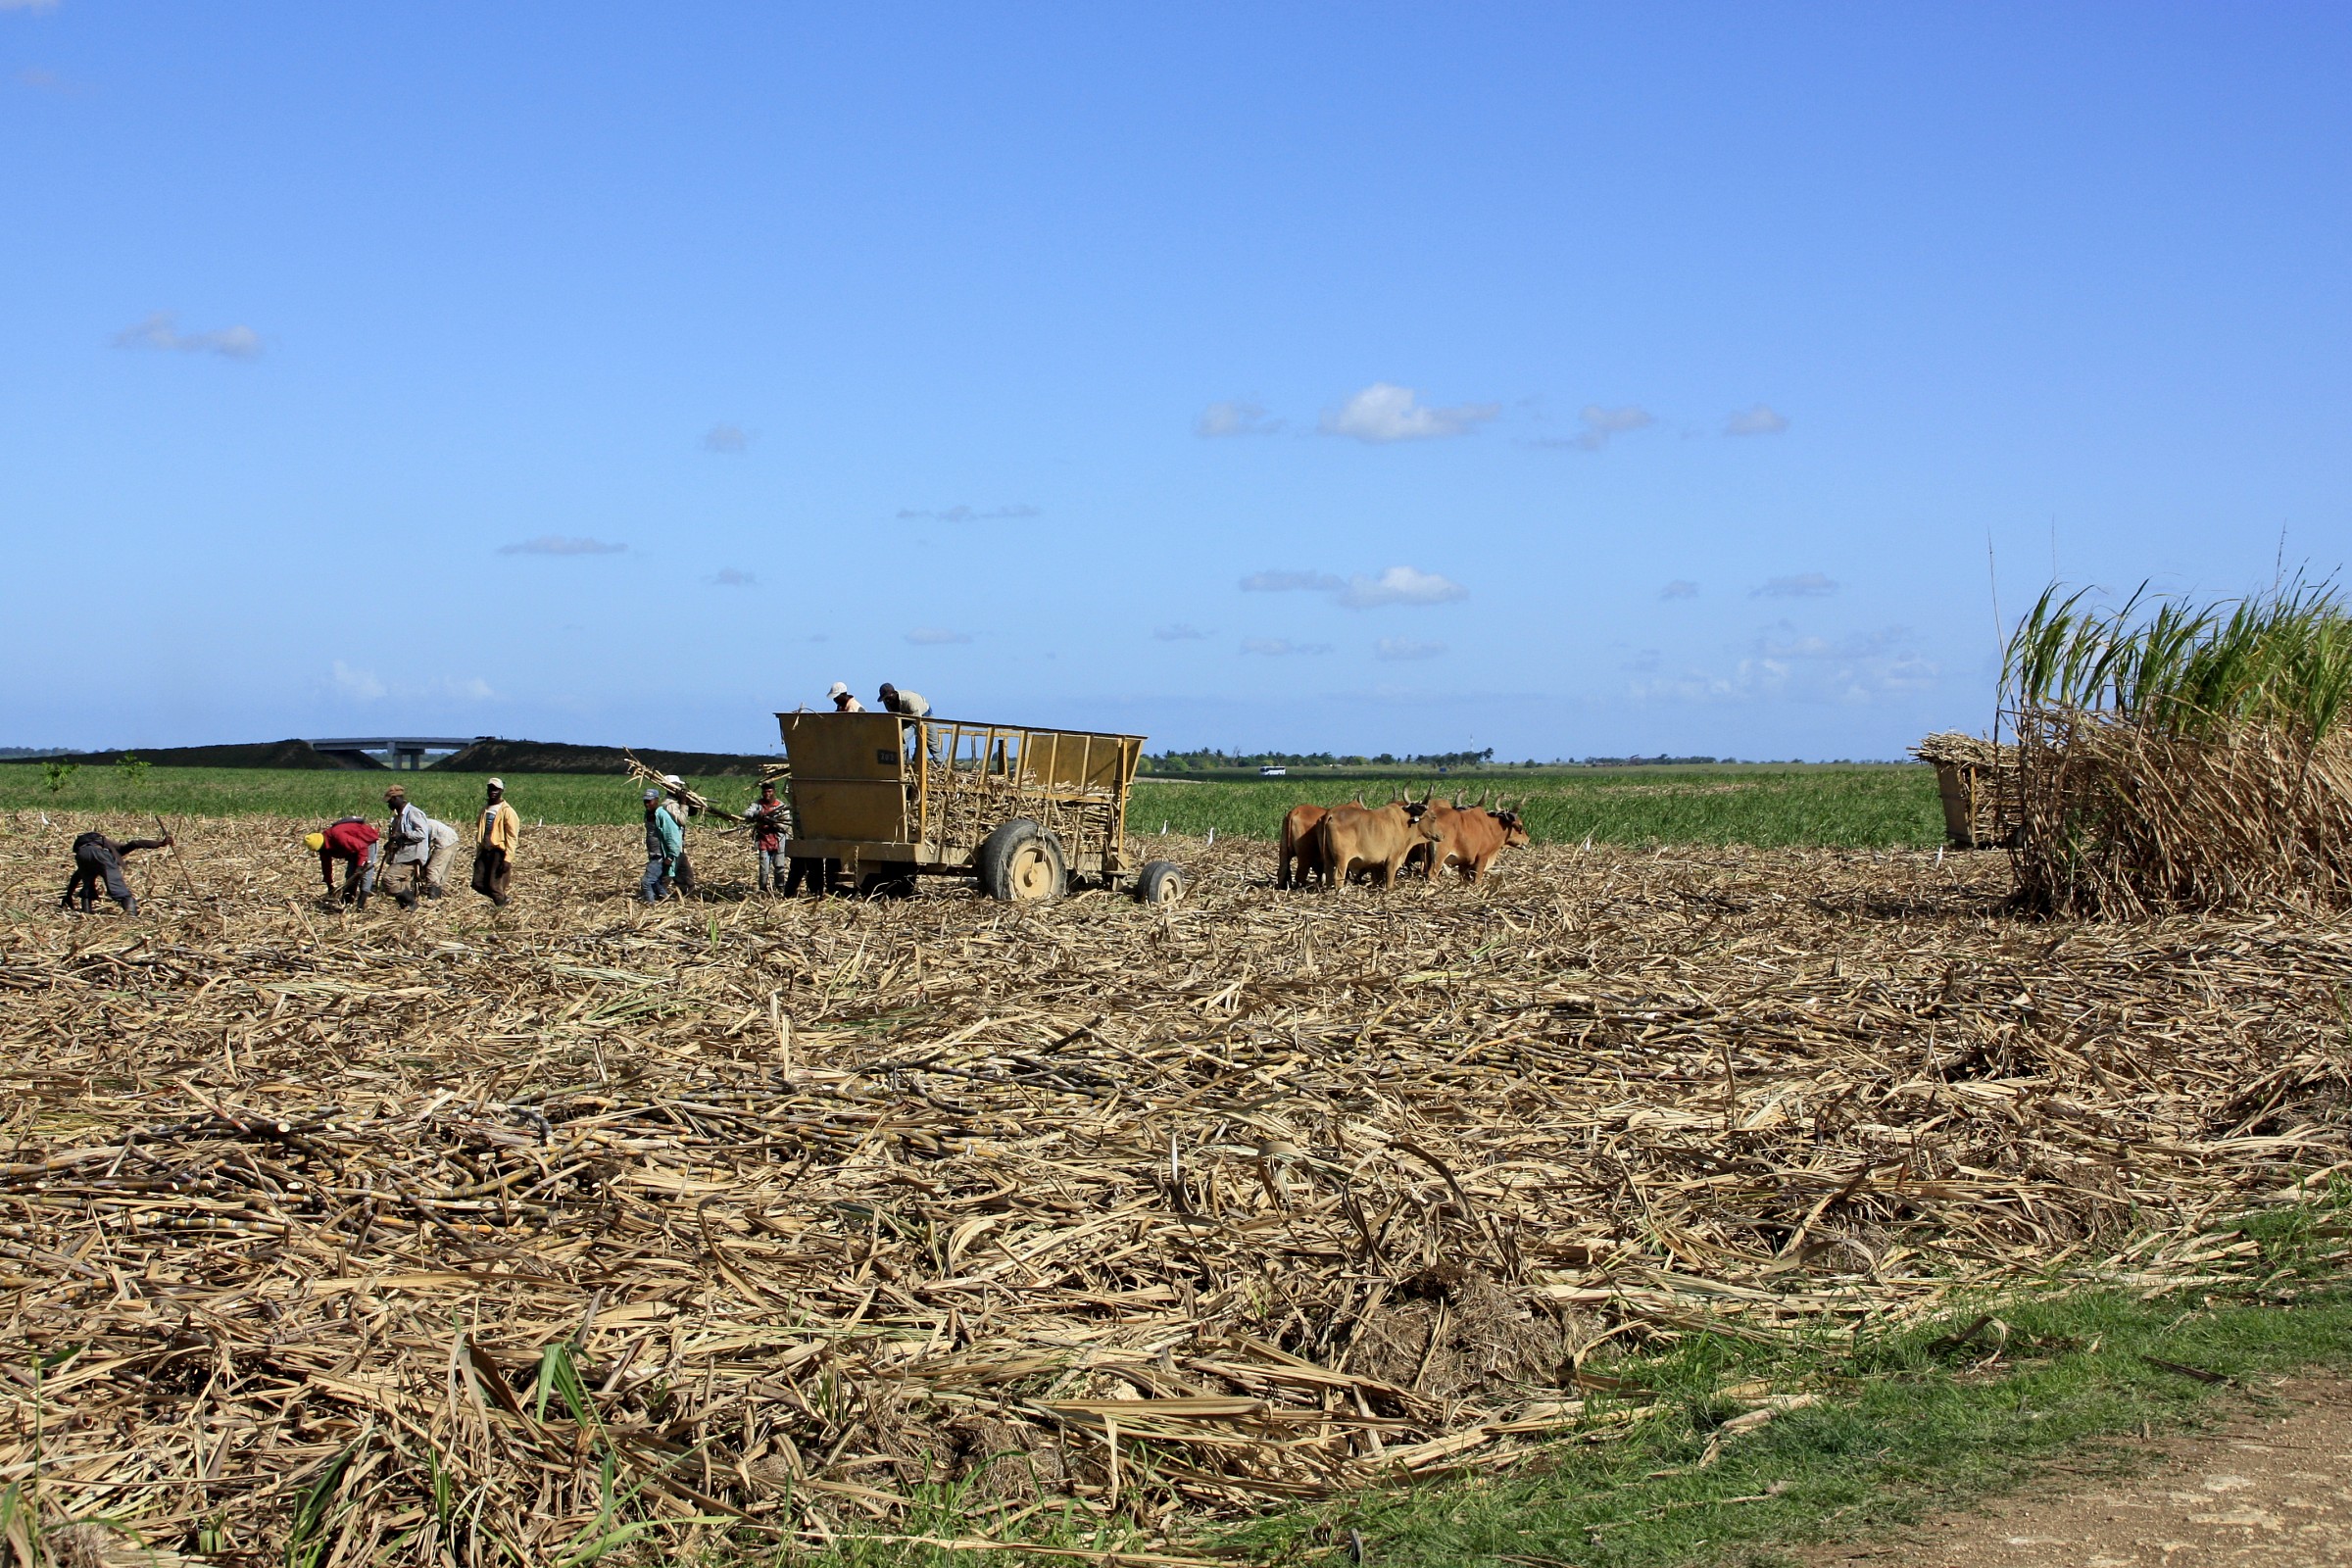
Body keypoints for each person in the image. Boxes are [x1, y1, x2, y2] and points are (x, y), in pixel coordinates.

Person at [60, 829, 171, 915]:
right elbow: (135, 843)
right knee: (117, 886)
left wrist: (68, 895)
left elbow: (76, 876)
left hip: (81, 854)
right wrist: (160, 844)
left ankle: (86, 913)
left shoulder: (88, 848)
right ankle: (131, 915)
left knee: (87, 883)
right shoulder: (108, 847)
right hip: (98, 854)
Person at [307, 817, 379, 908]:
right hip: (354, 846)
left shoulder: (338, 836)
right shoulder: (323, 847)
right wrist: (329, 884)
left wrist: (360, 867)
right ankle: (347, 901)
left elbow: (362, 847)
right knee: (350, 874)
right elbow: (326, 865)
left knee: (365, 874)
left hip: (366, 842)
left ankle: (361, 905)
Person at [382, 786, 435, 908]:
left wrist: (403, 835)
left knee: (389, 879)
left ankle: (412, 902)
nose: (389, 805)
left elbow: (421, 834)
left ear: (395, 798)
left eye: (390, 801)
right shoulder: (398, 816)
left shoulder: (413, 813)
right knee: (403, 883)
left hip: (412, 856)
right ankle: (407, 910)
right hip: (402, 855)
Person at [471, 778, 521, 906]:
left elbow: (512, 836)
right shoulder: (485, 810)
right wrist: (479, 852)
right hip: (485, 850)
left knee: (494, 885)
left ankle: (501, 907)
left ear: (501, 791)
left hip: (498, 852)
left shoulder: (507, 811)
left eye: (496, 789)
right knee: (477, 883)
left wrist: (508, 859)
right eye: (491, 789)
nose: (493, 792)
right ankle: (502, 900)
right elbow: (480, 829)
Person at [739, 780, 789, 894]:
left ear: (774, 792)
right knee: (764, 869)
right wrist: (757, 814)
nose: (767, 794)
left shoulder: (780, 806)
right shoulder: (757, 805)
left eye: (769, 791)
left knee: (779, 867)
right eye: (765, 792)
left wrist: (775, 823)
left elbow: (786, 826)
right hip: (763, 841)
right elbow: (745, 813)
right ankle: (763, 889)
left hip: (778, 841)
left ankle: (780, 889)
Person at [660, 774, 698, 894]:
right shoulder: (669, 805)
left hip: (678, 844)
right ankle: (655, 893)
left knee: (684, 872)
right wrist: (683, 803)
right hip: (673, 844)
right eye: (677, 786)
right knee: (668, 872)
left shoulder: (675, 803)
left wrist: (688, 803)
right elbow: (681, 819)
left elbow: (690, 813)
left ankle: (687, 892)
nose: (679, 788)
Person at [642, 788, 682, 901]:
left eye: (649, 801)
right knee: (655, 882)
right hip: (653, 855)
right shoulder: (648, 814)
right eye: (645, 801)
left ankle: (650, 904)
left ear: (657, 800)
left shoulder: (662, 815)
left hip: (659, 856)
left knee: (646, 882)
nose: (647, 804)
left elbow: (673, 836)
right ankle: (666, 898)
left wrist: (670, 856)